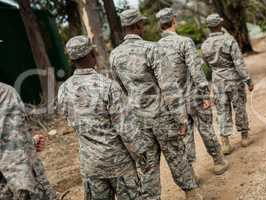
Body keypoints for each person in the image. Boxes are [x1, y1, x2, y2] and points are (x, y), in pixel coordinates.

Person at [110, 9, 202, 200]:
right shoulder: (152, 49)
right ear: (137, 26)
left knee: (148, 164)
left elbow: (120, 92)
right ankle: (191, 194)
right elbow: (169, 87)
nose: (143, 26)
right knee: (177, 156)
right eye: (141, 24)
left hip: (139, 121)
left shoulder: (115, 56)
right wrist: (181, 119)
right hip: (162, 116)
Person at [58, 35, 144, 200]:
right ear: (91, 54)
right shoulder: (108, 86)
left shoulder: (63, 90)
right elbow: (125, 130)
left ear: (72, 59)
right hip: (119, 164)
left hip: (91, 165)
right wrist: (139, 156)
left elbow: (72, 122)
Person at [155, 8, 229, 175]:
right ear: (174, 20)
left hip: (174, 101)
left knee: (185, 135)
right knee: (206, 128)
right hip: (193, 95)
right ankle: (218, 160)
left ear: (160, 25)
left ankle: (191, 173)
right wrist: (204, 93)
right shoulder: (184, 42)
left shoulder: (155, 48)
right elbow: (195, 69)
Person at [201, 14, 254, 155]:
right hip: (233, 80)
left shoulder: (205, 45)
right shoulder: (229, 40)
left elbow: (206, 64)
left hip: (217, 81)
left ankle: (225, 143)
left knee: (222, 110)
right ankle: (244, 137)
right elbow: (238, 62)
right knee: (239, 107)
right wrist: (248, 80)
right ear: (219, 25)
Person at [0, 82, 58, 200]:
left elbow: (7, 138)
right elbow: (12, 154)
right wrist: (25, 189)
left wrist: (29, 143)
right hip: (18, 185)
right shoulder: (4, 93)